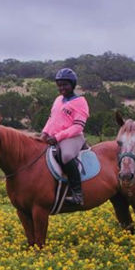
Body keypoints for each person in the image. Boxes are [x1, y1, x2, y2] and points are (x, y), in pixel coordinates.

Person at [40, 67, 89, 205]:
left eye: (65, 85)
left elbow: (78, 126)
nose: (62, 88)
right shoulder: (58, 100)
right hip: (54, 136)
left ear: (72, 85)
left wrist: (58, 137)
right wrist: (44, 133)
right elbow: (51, 119)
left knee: (66, 155)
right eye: (60, 85)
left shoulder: (80, 102)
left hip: (73, 137)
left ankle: (77, 194)